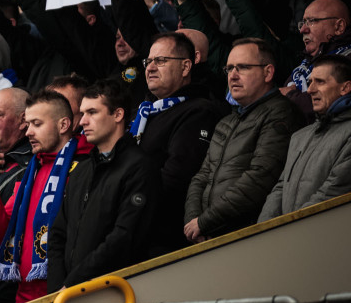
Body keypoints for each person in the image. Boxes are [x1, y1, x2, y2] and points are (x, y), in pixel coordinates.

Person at [184, 39, 303, 241]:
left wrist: (204, 222)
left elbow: (260, 177)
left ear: (268, 72)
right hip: (210, 234)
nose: (233, 75)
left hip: (250, 236)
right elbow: (201, 177)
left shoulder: (280, 113)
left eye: (243, 67)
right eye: (229, 68)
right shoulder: (226, 122)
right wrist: (193, 222)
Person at [49, 80, 160, 290]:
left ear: (118, 115)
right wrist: (57, 289)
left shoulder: (140, 167)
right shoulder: (81, 170)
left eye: (92, 112)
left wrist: (74, 283)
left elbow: (124, 237)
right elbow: (57, 234)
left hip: (113, 294)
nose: (82, 121)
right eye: (82, 113)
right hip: (67, 296)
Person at [0, 92, 84, 303]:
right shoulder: (32, 169)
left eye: (36, 124)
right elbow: (1, 234)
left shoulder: (84, 166)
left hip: (67, 292)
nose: (28, 132)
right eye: (27, 124)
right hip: (25, 295)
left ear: (64, 124)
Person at [133, 33, 226, 254]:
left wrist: (130, 207)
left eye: (161, 60)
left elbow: (177, 177)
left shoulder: (199, 111)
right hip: (137, 229)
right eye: (148, 61)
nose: (150, 67)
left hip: (164, 239)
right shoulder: (146, 111)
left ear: (186, 67)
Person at [259, 55, 351, 221]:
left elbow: (332, 191)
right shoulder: (299, 136)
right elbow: (280, 188)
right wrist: (264, 230)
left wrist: (291, 229)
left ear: (345, 88)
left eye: (320, 82)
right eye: (310, 82)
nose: (310, 90)